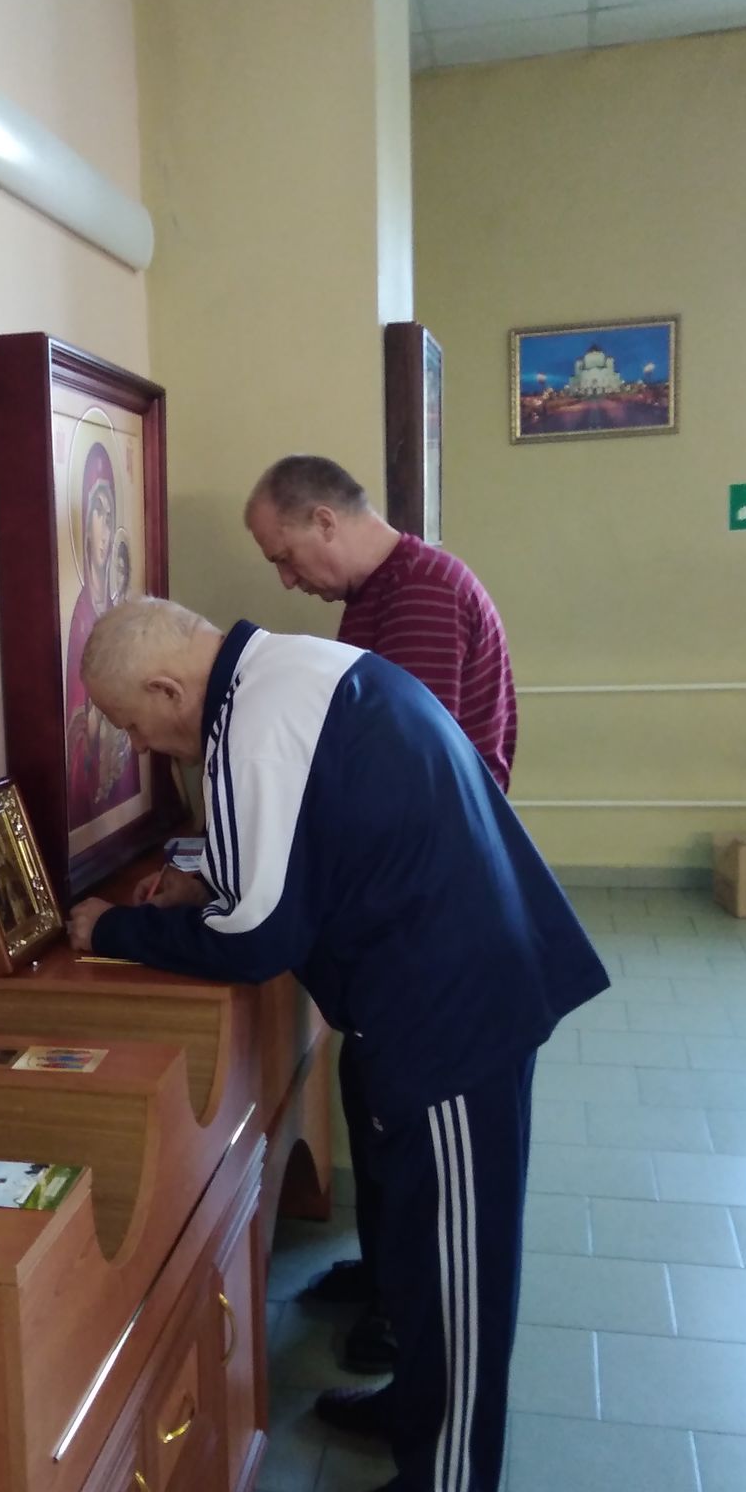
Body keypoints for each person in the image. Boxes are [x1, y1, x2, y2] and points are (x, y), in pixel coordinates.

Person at [65, 599, 606, 1492]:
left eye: (133, 724)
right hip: (432, 979)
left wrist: (114, 930)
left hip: (454, 1005)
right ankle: (415, 1404)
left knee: (458, 1262)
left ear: (165, 688)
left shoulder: (258, 719)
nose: (140, 745)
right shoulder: (277, 673)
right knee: (418, 1239)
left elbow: (259, 937)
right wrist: (203, 879)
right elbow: (303, 842)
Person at [245, 454, 519, 1374]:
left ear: (324, 520)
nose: (287, 581)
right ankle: (388, 1270)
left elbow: (396, 773)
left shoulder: (421, 596)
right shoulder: (376, 597)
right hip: (404, 898)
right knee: (372, 1103)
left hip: (434, 906)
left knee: (416, 1128)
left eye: (285, 556)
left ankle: (411, 1316)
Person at [64, 442, 140, 826]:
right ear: (84, 524)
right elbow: (76, 725)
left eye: (111, 518)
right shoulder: (80, 617)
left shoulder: (113, 611)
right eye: (98, 513)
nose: (107, 531)